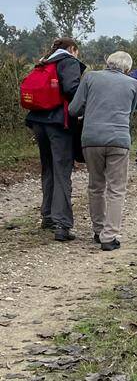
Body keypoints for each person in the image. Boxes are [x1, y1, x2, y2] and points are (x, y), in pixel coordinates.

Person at [67, 51, 137, 251]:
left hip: (91, 138)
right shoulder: (133, 84)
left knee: (96, 185)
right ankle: (109, 236)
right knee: (116, 188)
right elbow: (130, 111)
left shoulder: (90, 77)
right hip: (119, 139)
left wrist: (89, 111)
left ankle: (98, 230)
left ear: (107, 62)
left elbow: (74, 109)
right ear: (128, 69)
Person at [22, 37, 86, 241]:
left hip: (38, 120)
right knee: (62, 170)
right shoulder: (68, 61)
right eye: (77, 51)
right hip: (59, 123)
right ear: (72, 49)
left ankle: (48, 216)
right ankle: (62, 224)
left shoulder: (44, 61)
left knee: (48, 168)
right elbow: (71, 89)